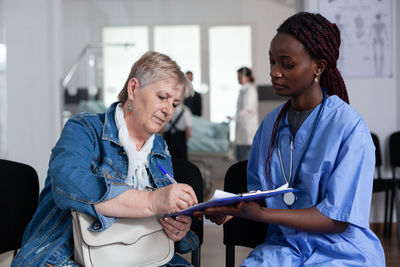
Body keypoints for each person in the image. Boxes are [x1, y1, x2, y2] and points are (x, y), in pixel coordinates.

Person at [198, 12, 385, 266]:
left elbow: (338, 219)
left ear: (318, 67)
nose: (275, 72)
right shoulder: (270, 126)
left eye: (287, 64)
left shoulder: (348, 127)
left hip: (340, 251)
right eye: (272, 62)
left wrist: (262, 213)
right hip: (284, 247)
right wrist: (230, 210)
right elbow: (258, 194)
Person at [12, 51, 199, 267]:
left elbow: (163, 212)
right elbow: (67, 184)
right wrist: (150, 201)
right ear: (133, 89)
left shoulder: (159, 147)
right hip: (67, 252)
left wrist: (178, 226)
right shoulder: (84, 129)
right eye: (162, 97)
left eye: (175, 104)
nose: (168, 110)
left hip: (143, 253)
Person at [234, 67, 259, 162]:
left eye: (241, 76)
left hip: (247, 130)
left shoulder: (250, 90)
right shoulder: (243, 90)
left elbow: (248, 109)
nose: (239, 78)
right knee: (240, 158)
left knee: (245, 160)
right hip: (242, 130)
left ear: (248, 77)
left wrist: (235, 117)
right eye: (238, 76)